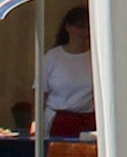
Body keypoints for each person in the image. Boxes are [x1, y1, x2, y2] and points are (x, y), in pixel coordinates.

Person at [38, 10, 97, 139]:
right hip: (58, 118)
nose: (84, 32)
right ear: (68, 27)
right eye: (80, 26)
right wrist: (36, 121)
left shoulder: (96, 58)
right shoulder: (53, 56)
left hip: (87, 119)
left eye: (88, 26)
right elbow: (40, 91)